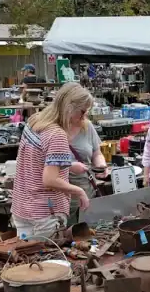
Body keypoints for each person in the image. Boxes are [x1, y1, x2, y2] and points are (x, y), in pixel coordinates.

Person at [11, 82, 94, 240]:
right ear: (69, 107)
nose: (83, 118)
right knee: (48, 261)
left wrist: (67, 165)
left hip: (22, 208)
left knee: (28, 259)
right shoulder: (57, 134)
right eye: (82, 112)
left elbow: (37, 161)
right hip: (45, 214)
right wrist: (79, 191)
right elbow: (49, 180)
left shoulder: (35, 121)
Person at [67, 111, 108, 226]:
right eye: (81, 111)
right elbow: (45, 164)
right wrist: (70, 166)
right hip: (63, 198)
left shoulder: (87, 126)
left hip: (87, 192)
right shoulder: (54, 129)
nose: (85, 115)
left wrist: (100, 164)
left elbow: (96, 152)